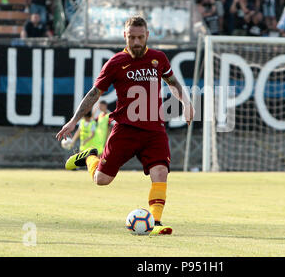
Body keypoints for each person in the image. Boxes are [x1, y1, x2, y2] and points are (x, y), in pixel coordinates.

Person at [56, 16, 195, 236]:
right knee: (101, 180)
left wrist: (186, 102)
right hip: (125, 128)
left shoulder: (159, 59)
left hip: (154, 129)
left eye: (140, 37)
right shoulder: (115, 63)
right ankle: (90, 156)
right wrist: (74, 120)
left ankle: (156, 223)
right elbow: (94, 93)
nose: (137, 42)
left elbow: (173, 83)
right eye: (132, 37)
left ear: (147, 35)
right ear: (125, 36)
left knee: (160, 171)